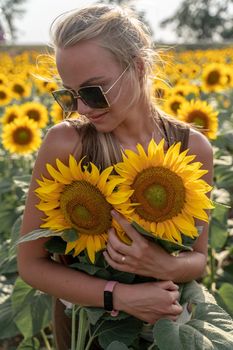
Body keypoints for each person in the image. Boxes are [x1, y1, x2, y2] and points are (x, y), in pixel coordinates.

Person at [17, 4, 213, 350]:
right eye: (69, 95)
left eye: (93, 91)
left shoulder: (191, 148)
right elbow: (31, 265)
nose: (82, 109)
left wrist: (163, 264)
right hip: (87, 326)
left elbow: (198, 259)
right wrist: (119, 296)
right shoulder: (66, 144)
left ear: (137, 67)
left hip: (163, 326)